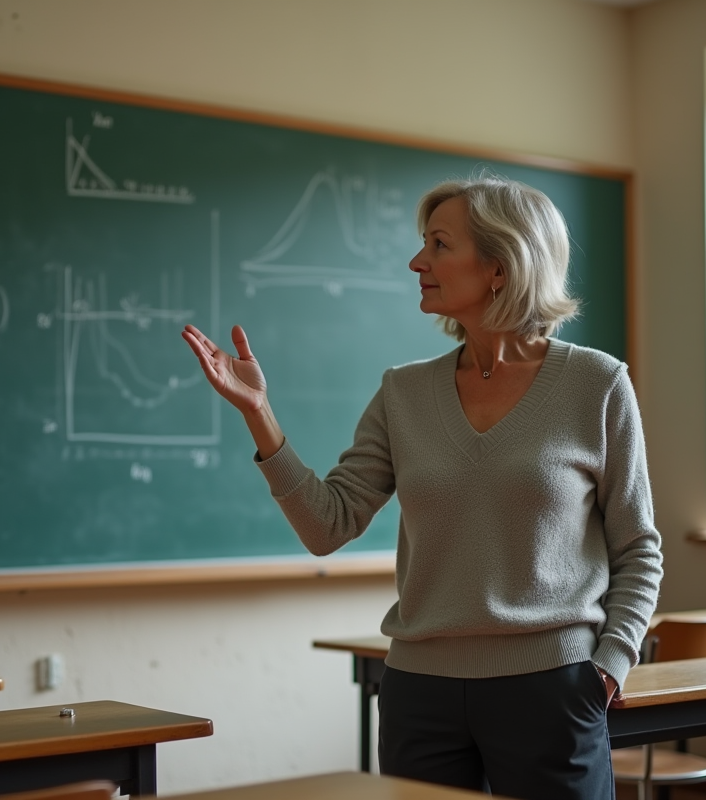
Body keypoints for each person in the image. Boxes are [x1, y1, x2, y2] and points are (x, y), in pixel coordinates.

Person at [181, 174, 662, 800]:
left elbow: (638, 548)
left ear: (499, 264)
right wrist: (258, 414)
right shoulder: (403, 392)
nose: (417, 261)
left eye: (438, 245)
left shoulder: (596, 385)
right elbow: (327, 526)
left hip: (551, 685)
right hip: (420, 693)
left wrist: (608, 668)